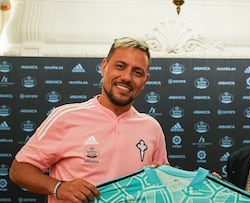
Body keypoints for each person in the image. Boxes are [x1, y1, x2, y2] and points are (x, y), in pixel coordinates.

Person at [9, 37, 169, 203]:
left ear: (145, 81)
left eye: (137, 72)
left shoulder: (152, 127)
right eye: (120, 66)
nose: (127, 77)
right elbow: (19, 170)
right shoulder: (65, 116)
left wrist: (162, 177)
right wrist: (58, 187)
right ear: (104, 67)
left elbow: (165, 181)